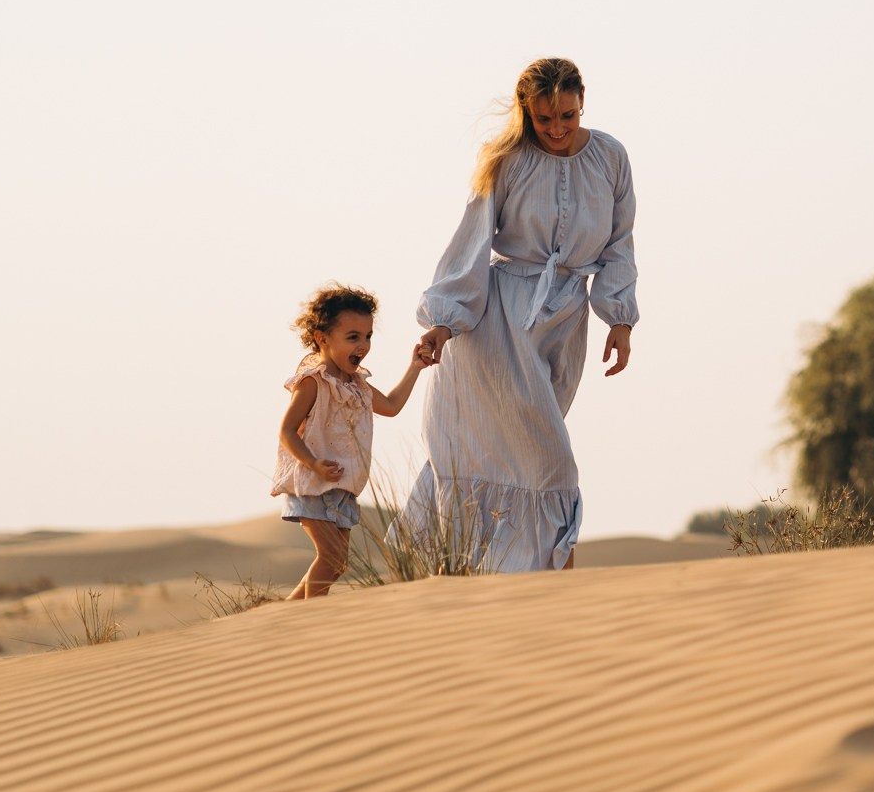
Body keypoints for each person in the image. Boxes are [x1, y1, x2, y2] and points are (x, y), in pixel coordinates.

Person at [405, 57, 639, 572]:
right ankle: (551, 589)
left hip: (565, 321)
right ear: (526, 112)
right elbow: (471, 244)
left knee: (526, 458)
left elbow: (619, 245)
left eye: (567, 116)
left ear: (583, 103)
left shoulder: (610, 157)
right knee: (548, 464)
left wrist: (619, 319)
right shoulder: (506, 160)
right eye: (544, 119)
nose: (556, 129)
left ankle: (508, 584)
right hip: (496, 322)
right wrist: (443, 322)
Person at [273, 285, 431, 599]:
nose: (363, 345)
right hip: (313, 483)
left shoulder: (358, 385)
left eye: (368, 336)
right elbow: (287, 431)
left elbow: (391, 406)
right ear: (322, 338)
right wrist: (313, 463)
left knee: (338, 562)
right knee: (331, 558)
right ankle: (299, 618)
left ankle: (284, 614)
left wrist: (415, 367)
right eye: (353, 337)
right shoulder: (313, 382)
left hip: (342, 487)